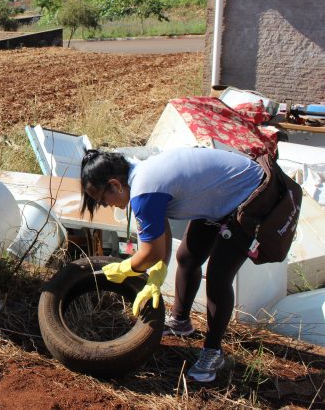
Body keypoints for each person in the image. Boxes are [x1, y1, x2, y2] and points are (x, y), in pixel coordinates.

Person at [80, 147, 264, 383]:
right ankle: (180, 322)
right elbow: (161, 234)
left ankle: (213, 351)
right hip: (220, 195)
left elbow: (149, 252)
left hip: (249, 195)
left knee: (218, 277)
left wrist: (124, 268)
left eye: (103, 200)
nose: (107, 205)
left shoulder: (143, 192)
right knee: (187, 258)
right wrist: (158, 272)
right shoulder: (141, 177)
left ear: (115, 185)